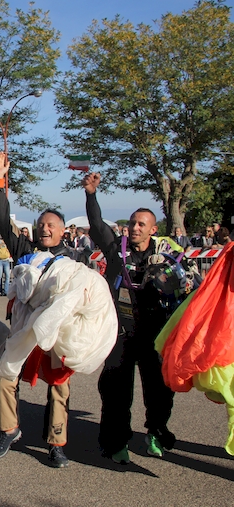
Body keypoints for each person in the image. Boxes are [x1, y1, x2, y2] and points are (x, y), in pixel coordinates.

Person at [0, 152, 78, 468]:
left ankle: (56, 443)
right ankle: (9, 429)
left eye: (51, 225)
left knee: (59, 385)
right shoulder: (25, 250)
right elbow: (2, 217)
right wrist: (0, 179)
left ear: (63, 230)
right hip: (25, 329)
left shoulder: (74, 259)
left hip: (57, 332)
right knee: (5, 377)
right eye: (41, 225)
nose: (44, 229)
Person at [83, 172, 177, 464]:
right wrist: (90, 195)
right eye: (132, 223)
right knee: (115, 393)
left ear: (153, 229)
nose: (134, 228)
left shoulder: (167, 255)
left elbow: (184, 288)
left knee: (160, 391)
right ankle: (116, 442)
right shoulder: (115, 250)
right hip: (121, 333)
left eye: (141, 224)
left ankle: (155, 431)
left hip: (154, 332)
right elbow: (97, 226)